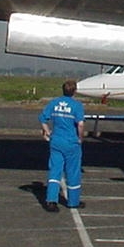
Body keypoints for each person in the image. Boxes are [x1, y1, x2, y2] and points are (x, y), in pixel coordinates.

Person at [38, 80, 86, 212]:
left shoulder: (54, 103)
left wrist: (47, 131)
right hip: (71, 141)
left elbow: (42, 118)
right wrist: (80, 138)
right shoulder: (77, 105)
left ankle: (51, 200)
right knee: (73, 171)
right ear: (74, 91)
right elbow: (80, 124)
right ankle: (73, 201)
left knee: (55, 170)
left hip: (57, 140)